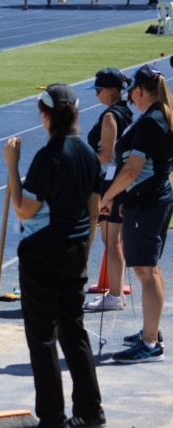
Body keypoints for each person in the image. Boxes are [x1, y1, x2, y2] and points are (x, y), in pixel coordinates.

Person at [4, 84, 106, 428]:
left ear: (45, 116)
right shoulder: (90, 156)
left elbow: (24, 210)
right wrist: (86, 256)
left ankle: (52, 418)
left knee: (43, 336)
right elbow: (93, 213)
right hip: (76, 250)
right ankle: (91, 412)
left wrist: (11, 167)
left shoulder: (47, 158)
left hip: (42, 253)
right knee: (73, 331)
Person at [100, 64, 173, 364]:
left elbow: (132, 169)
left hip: (147, 204)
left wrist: (108, 195)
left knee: (144, 271)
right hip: (151, 200)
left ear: (142, 91)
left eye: (133, 93)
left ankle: (150, 343)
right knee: (150, 269)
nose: (131, 97)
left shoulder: (151, 122)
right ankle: (151, 331)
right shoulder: (160, 117)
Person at [84, 68, 133, 312]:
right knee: (113, 240)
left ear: (112, 90)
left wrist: (108, 194)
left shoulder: (110, 117)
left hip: (110, 184)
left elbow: (107, 156)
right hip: (118, 182)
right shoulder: (126, 111)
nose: (96, 95)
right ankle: (115, 292)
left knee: (111, 240)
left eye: (98, 90)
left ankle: (115, 294)